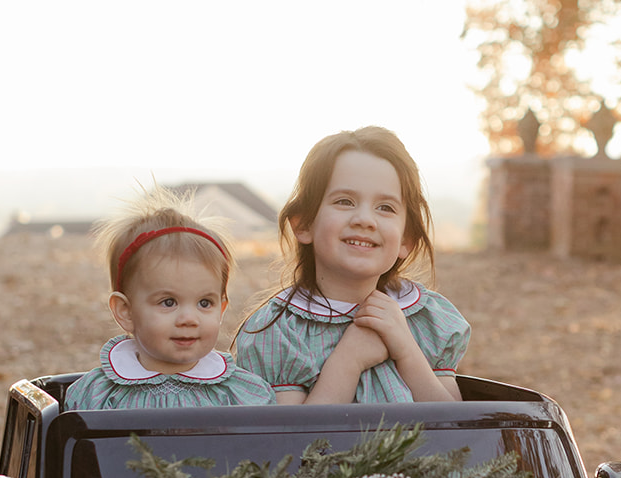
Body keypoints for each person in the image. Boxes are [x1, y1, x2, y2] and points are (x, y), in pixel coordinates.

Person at [235, 127, 469, 403]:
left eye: (385, 207)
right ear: (304, 224)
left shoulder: (424, 318)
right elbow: (295, 442)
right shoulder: (280, 333)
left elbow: (455, 428)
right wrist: (348, 361)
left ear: (406, 239)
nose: (365, 219)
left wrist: (406, 350)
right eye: (344, 201)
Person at [64, 187, 276, 410]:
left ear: (221, 310)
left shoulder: (240, 395)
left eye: (205, 303)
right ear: (126, 311)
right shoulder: (99, 397)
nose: (188, 319)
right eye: (168, 302)